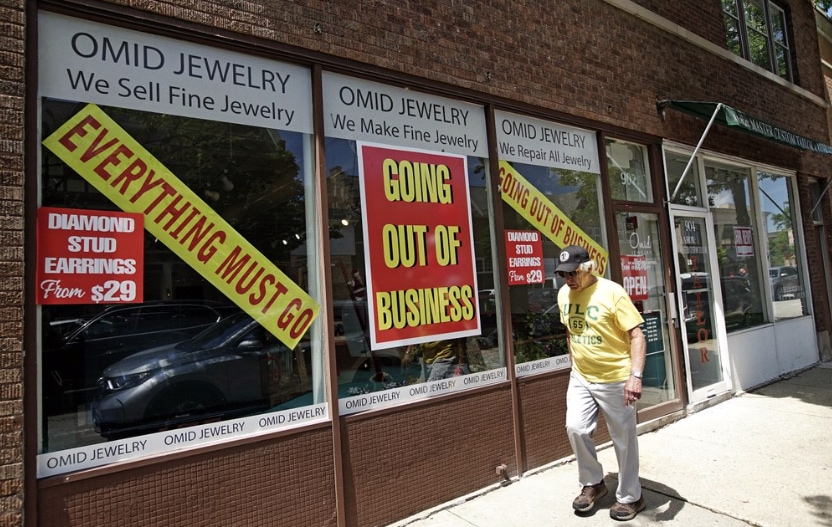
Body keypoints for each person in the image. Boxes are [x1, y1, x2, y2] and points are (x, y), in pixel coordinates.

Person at [556, 245, 647, 521]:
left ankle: (631, 496)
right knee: (576, 428)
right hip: (582, 377)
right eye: (563, 274)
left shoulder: (612, 292)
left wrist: (635, 375)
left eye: (573, 273)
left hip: (616, 378)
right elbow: (571, 333)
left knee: (623, 438)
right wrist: (575, 365)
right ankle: (593, 482)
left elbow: (637, 336)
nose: (568, 279)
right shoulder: (563, 294)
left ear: (589, 267)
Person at [402, 337, 469, 381]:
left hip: (443, 356)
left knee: (432, 389)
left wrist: (462, 361)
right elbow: (415, 333)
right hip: (428, 359)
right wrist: (408, 353)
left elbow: (461, 336)